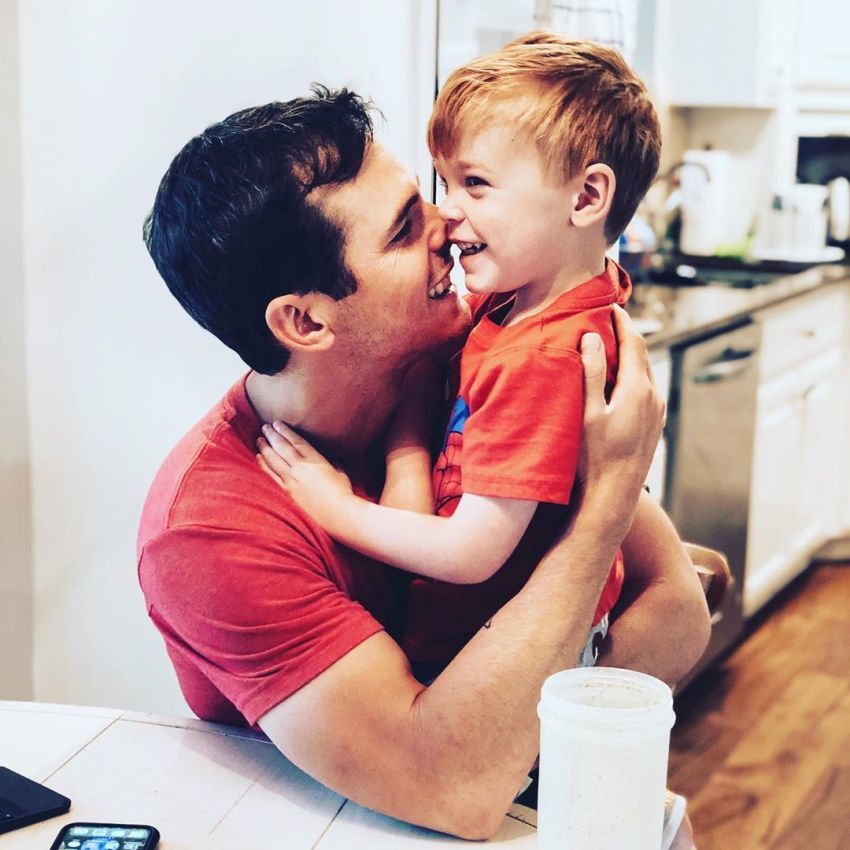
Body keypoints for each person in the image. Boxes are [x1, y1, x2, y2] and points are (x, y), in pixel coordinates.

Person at [139, 84, 709, 842]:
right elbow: (453, 786)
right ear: (306, 320)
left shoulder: (479, 359)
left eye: (432, 196)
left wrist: (510, 730)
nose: (451, 226)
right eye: (408, 229)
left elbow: (677, 611)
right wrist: (604, 505)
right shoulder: (208, 530)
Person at [256, 33, 669, 676]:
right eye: (445, 181)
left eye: (475, 184)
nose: (447, 213)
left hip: (502, 664)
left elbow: (470, 553)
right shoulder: (526, 306)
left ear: (586, 198)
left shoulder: (546, 356)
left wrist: (334, 505)